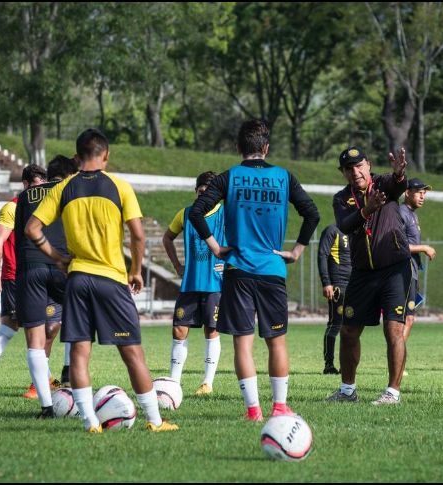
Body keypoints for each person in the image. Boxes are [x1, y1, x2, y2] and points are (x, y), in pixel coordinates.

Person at [26, 128, 178, 432]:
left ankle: (90, 422)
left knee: (80, 353)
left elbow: (32, 228)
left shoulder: (63, 188)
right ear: (105, 155)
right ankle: (154, 421)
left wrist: (56, 256)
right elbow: (137, 235)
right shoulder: (119, 186)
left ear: (77, 156)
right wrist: (135, 271)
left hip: (78, 278)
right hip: (111, 279)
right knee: (132, 352)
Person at [189, 119, 320, 421]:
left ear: (239, 148)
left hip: (238, 269)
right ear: (266, 148)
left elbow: (197, 212)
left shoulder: (229, 177)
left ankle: (253, 411)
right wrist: (297, 250)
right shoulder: (284, 177)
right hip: (273, 268)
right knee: (277, 341)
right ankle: (280, 406)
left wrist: (215, 247)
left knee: (242, 342)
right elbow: (311, 213)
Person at [327, 145, 410, 405]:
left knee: (393, 329)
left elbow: (398, 186)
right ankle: (347, 391)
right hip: (362, 273)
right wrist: (367, 210)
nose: (356, 171)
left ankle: (392, 393)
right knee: (349, 330)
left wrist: (398, 174)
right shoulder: (342, 198)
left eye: (360, 165)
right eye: (349, 168)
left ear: (369, 165)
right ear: (343, 172)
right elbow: (344, 225)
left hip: (395, 269)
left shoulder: (384, 184)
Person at [0, 164, 51, 391]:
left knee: (30, 328)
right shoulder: (13, 208)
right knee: (16, 328)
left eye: (43, 186)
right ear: (25, 185)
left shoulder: (43, 208)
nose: (39, 190)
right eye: (35, 186)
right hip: (15, 276)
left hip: (34, 275)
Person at [14, 155, 78, 414]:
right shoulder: (71, 190)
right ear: (68, 175)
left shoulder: (26, 196)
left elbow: (21, 233)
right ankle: (75, 389)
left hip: (30, 265)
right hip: (62, 263)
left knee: (35, 340)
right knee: (79, 323)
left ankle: (46, 406)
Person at [162, 171, 224, 395]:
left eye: (208, 193)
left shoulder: (225, 213)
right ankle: (174, 382)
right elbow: (167, 238)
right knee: (179, 330)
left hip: (215, 284)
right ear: (195, 191)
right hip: (189, 283)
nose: (204, 197)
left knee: (212, 330)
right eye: (200, 193)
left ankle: (207, 383)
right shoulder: (186, 214)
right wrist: (177, 266)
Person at [398, 178, 436, 343]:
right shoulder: (401, 212)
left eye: (424, 193)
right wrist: (424, 247)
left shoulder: (412, 214)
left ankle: (397, 360)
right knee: (406, 318)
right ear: (407, 193)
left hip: (411, 270)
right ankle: (397, 360)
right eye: (419, 193)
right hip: (403, 271)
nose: (423, 197)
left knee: (408, 318)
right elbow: (397, 245)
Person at [317, 224, 351, 375]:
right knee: (336, 324)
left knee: (352, 328)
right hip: (338, 285)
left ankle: (347, 365)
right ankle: (329, 365)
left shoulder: (357, 230)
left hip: (355, 286)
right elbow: (322, 255)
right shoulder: (332, 230)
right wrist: (327, 282)